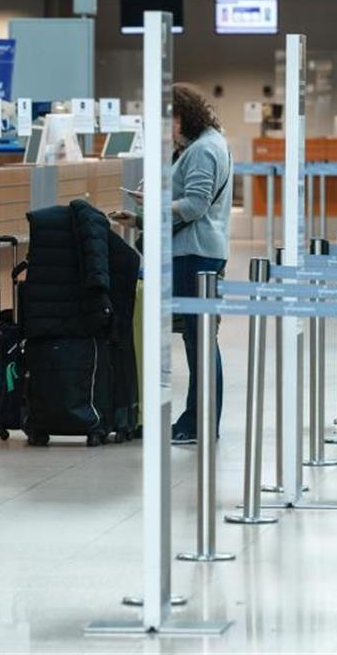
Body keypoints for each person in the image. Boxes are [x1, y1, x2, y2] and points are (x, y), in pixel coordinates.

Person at [110, 86, 234, 444]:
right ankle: (195, 419)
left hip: (195, 255)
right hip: (194, 252)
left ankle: (200, 422)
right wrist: (137, 220)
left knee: (199, 340)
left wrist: (152, 205)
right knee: (198, 340)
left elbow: (194, 206)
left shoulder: (204, 150)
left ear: (181, 116)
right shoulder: (204, 145)